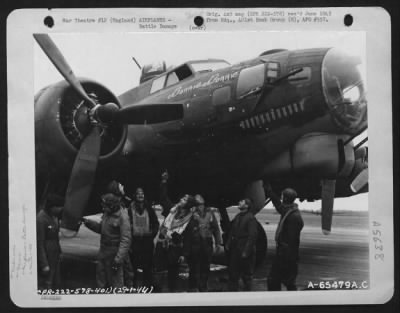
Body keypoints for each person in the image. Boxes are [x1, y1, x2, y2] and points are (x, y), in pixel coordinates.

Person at [157, 172, 196, 292]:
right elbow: (163, 198)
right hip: (163, 244)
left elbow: (188, 238)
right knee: (158, 269)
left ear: (188, 204)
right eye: (182, 198)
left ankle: (171, 293)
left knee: (172, 273)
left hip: (175, 249)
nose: (181, 200)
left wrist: (184, 254)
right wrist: (164, 182)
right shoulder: (173, 209)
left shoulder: (190, 220)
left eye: (184, 199)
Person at [83, 193, 131, 288]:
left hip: (114, 253)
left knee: (116, 283)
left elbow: (125, 240)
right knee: (101, 280)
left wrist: (118, 259)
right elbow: (102, 228)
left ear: (112, 206)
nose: (103, 209)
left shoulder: (123, 217)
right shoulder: (107, 214)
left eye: (105, 206)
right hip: (103, 251)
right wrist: (88, 223)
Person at [264, 183, 304, 291]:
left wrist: (288, 256)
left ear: (285, 198)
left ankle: (284, 301)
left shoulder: (294, 217)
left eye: (282, 196)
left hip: (286, 254)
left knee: (282, 281)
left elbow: (293, 240)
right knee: (281, 280)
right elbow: (278, 204)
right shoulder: (289, 211)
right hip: (284, 252)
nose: (281, 198)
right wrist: (269, 191)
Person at [182, 194, 223, 292]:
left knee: (205, 268)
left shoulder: (210, 213)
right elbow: (187, 232)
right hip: (194, 244)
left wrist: (218, 243)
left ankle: (203, 288)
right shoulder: (191, 213)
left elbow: (216, 229)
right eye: (196, 197)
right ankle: (193, 288)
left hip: (206, 244)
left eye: (200, 196)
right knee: (194, 269)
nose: (198, 197)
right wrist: (185, 251)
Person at [127, 187, 159, 289]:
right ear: (135, 196)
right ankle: (134, 288)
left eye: (142, 194)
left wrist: (151, 235)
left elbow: (155, 223)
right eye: (138, 194)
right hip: (135, 241)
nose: (140, 195)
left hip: (147, 241)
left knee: (148, 267)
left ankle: (147, 288)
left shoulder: (149, 208)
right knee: (134, 266)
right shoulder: (130, 209)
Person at [225, 198, 258, 291]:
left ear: (247, 206)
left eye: (242, 201)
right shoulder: (238, 216)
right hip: (236, 249)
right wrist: (228, 244)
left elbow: (252, 236)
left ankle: (247, 294)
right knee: (233, 273)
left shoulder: (250, 218)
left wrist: (246, 252)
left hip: (244, 250)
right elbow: (232, 232)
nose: (239, 202)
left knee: (246, 275)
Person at [37, 194, 64, 290]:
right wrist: (44, 264)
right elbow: (40, 243)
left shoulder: (54, 216)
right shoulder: (41, 218)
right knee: (47, 282)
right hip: (47, 253)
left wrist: (59, 252)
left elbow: (56, 237)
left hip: (55, 252)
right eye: (58, 207)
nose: (60, 209)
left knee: (56, 280)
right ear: (52, 206)